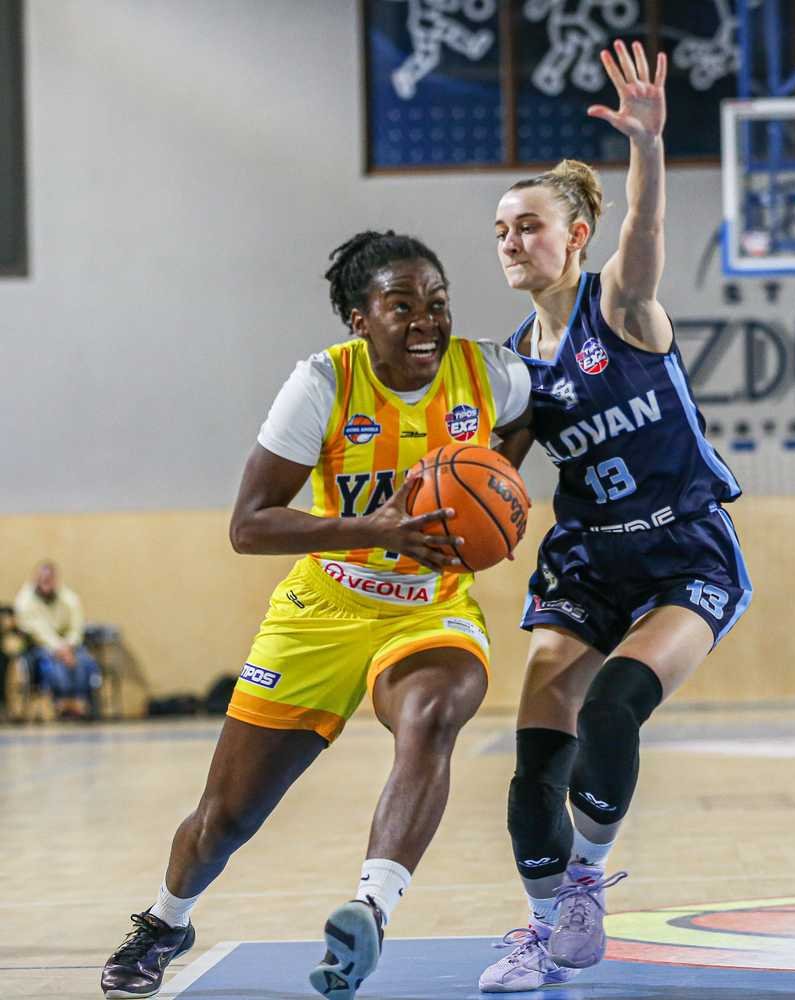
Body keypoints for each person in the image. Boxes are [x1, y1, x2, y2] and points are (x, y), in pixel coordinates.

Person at [100, 230, 532, 1000]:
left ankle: (371, 906)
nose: (426, 320)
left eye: (437, 302)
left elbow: (534, 417)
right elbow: (248, 525)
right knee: (225, 819)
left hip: (429, 609)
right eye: (401, 305)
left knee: (432, 716)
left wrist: (495, 487)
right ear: (360, 318)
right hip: (324, 606)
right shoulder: (322, 384)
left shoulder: (490, 372)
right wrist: (374, 529)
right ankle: (166, 921)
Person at [479, 40, 753, 992]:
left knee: (611, 709)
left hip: (684, 553)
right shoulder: (514, 366)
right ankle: (538, 932)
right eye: (501, 231)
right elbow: (491, 479)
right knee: (531, 770)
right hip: (587, 562)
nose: (511, 242)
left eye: (529, 226)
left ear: (576, 236)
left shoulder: (622, 309)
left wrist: (646, 144)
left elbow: (645, 227)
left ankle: (587, 880)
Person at [13, 561, 102, 720]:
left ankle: (79, 702)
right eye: (43, 579)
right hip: (41, 647)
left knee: (84, 661)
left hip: (69, 647)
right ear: (36, 580)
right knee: (53, 663)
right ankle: (62, 702)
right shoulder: (25, 601)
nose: (46, 583)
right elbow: (38, 631)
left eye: (49, 579)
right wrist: (58, 648)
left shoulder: (69, 599)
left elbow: (76, 627)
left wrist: (69, 645)